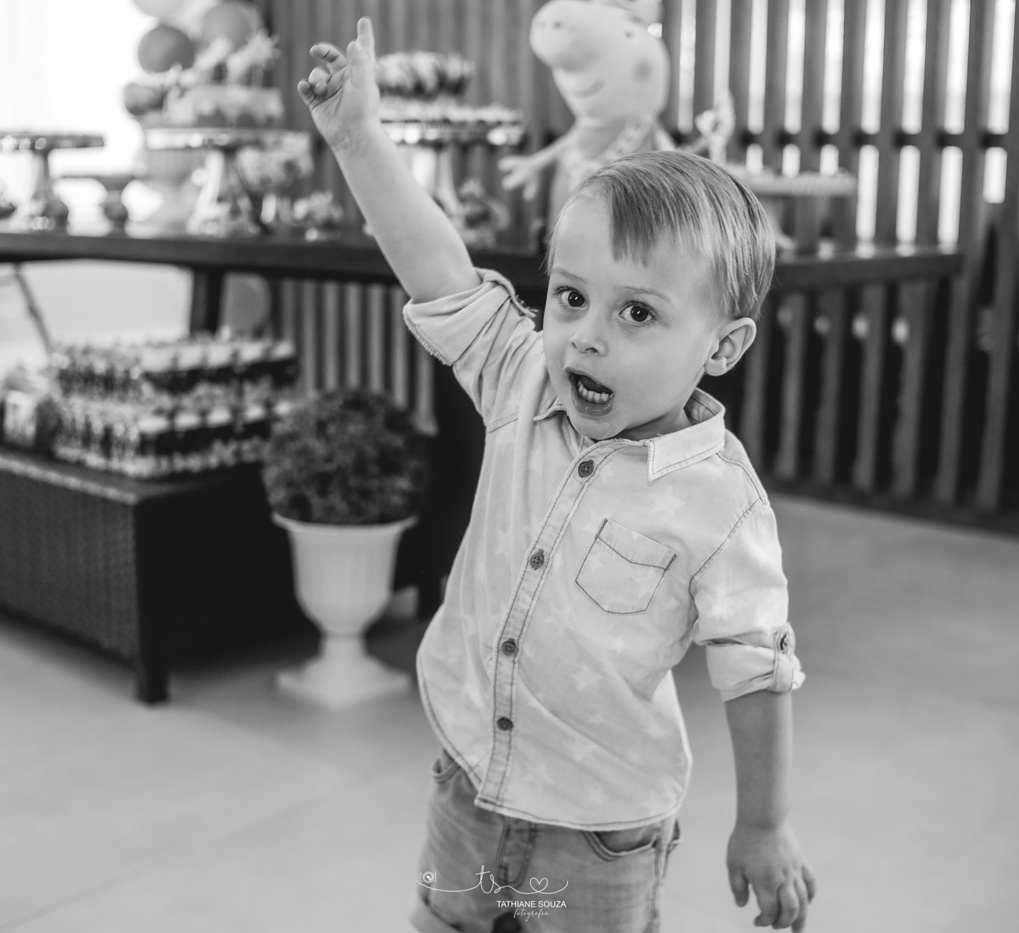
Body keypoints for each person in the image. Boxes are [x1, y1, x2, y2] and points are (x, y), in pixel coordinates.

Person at [298, 18, 817, 933]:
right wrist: (357, 138)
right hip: (469, 772)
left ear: (724, 346)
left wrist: (765, 821)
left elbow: (756, 669)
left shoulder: (720, 504)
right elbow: (439, 272)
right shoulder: (520, 381)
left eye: (638, 313)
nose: (586, 337)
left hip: (601, 826)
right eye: (571, 296)